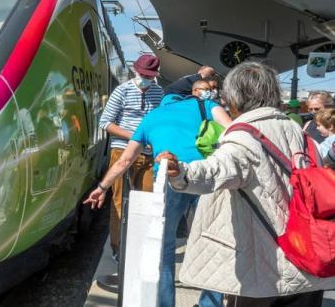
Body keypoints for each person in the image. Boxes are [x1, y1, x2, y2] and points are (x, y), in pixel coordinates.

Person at [157, 62, 335, 306]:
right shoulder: (302, 135)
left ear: (235, 97)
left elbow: (216, 169)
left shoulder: (243, 135)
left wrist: (181, 172)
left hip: (266, 267)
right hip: (311, 256)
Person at [86, 78, 232, 307]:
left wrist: (101, 187)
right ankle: (209, 304)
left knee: (164, 246)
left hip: (169, 179)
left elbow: (124, 160)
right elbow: (232, 132)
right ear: (188, 96)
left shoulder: (151, 117)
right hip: (206, 177)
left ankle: (165, 304)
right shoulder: (207, 106)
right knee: (210, 242)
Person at [99, 54, 164, 263]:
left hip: (147, 154)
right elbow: (105, 122)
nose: (145, 79)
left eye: (149, 76)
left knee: (147, 198)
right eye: (143, 74)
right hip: (122, 150)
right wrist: (135, 137)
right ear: (136, 71)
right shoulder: (122, 90)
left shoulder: (158, 93)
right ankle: (118, 247)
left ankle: (143, 244)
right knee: (118, 200)